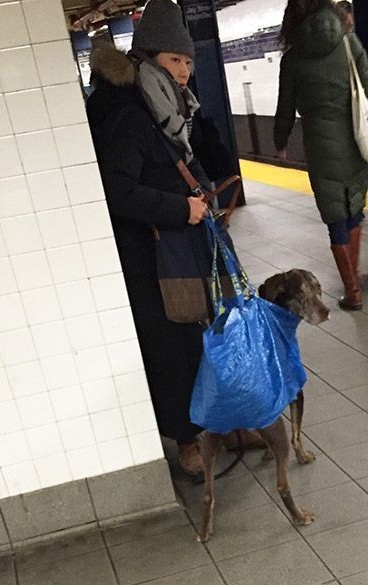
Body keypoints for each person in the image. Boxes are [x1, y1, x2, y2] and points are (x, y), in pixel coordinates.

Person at [86, 0, 234, 476]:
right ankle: (187, 442)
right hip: (152, 252)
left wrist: (203, 192)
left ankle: (214, 423)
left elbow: (183, 160)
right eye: (175, 60)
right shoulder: (132, 113)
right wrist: (179, 207)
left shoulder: (165, 106)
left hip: (178, 243)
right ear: (149, 57)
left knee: (199, 332)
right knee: (173, 343)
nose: (185, 70)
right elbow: (117, 189)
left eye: (188, 60)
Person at [274, 0, 368, 311]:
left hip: (320, 146)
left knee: (335, 218)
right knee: (355, 207)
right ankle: (354, 283)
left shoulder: (292, 59)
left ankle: (353, 291)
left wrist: (280, 140)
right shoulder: (349, 41)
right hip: (356, 138)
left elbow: (284, 109)